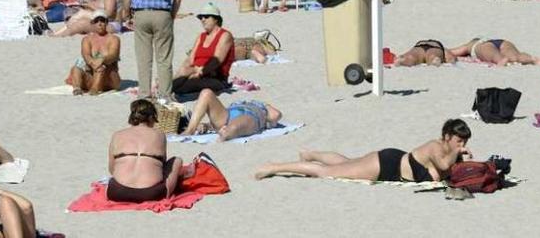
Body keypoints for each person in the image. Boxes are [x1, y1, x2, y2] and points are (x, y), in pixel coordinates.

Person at [255, 119, 472, 181]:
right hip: (387, 166)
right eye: (458, 140)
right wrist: (458, 154)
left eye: (463, 141)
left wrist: (463, 159)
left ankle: (310, 153)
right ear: (446, 137)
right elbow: (444, 165)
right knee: (327, 172)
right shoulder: (436, 147)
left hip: (390, 162)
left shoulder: (448, 152)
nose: (461, 144)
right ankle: (274, 167)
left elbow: (448, 171)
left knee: (346, 163)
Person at [121, 0, 181, 101]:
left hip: (141, 13)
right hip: (163, 13)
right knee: (164, 57)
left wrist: (126, 14)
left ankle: (145, 94)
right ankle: (165, 94)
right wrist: (172, 15)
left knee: (143, 57)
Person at [107, 100, 183, 202]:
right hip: (150, 193)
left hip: (117, 192)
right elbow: (162, 166)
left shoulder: (117, 135)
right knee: (177, 160)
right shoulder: (159, 135)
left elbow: (112, 169)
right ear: (151, 117)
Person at [173, 3, 234, 95]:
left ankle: (171, 89)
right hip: (196, 71)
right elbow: (190, 60)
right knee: (181, 74)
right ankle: (166, 88)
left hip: (214, 76)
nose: (203, 20)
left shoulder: (225, 35)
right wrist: (184, 71)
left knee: (186, 85)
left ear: (216, 19)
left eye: (206, 17)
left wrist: (199, 73)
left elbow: (216, 61)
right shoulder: (201, 36)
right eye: (201, 17)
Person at [181, 89, 282, 141]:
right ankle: (190, 130)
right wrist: (207, 126)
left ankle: (224, 135)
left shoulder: (261, 108)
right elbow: (276, 114)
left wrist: (265, 108)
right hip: (229, 114)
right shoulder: (260, 107)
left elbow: (276, 115)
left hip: (251, 116)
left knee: (233, 127)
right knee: (206, 93)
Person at [65, 11, 121, 96]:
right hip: (92, 73)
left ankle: (95, 89)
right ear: (92, 23)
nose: (100, 23)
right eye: (96, 21)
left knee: (100, 67)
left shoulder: (114, 39)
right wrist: (92, 62)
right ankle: (77, 88)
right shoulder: (87, 39)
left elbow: (113, 55)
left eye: (102, 21)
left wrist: (102, 60)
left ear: (106, 22)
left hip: (110, 77)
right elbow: (85, 54)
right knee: (76, 68)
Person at [445, 38, 540, 66]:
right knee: (516, 56)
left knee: (496, 57)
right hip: (501, 41)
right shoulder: (480, 40)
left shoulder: (469, 46)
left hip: (483, 46)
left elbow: (451, 52)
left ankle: (501, 60)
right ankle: (532, 59)